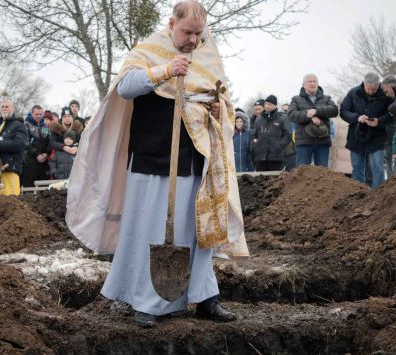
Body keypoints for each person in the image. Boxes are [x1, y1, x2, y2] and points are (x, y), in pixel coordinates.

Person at [66, 0, 248, 328]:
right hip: (153, 155)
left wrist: (218, 110)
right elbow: (125, 88)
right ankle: (146, 301)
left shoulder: (207, 52)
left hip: (196, 156)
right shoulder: (148, 50)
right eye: (187, 32)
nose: (193, 39)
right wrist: (165, 70)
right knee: (150, 228)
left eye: (198, 32)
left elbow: (217, 96)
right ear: (171, 24)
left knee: (199, 228)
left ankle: (205, 296)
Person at [340, 73, 392, 187]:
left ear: (379, 84)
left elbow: (391, 114)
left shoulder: (385, 95)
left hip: (377, 137)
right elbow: (343, 111)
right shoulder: (353, 93)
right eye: (368, 89)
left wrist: (379, 121)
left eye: (374, 89)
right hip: (357, 135)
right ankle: (358, 194)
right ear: (364, 83)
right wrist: (357, 117)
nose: (371, 92)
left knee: (377, 167)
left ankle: (378, 194)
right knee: (357, 167)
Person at [288, 74, 339, 167]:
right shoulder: (296, 99)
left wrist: (317, 111)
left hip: (322, 141)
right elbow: (291, 115)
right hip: (304, 142)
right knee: (301, 173)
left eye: (314, 81)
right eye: (309, 81)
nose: (312, 83)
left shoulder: (327, 98)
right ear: (303, 85)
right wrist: (307, 115)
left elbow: (334, 110)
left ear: (318, 83)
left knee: (322, 174)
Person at [250, 95, 290, 171]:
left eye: (270, 104)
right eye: (266, 104)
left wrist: (279, 146)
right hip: (260, 157)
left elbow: (288, 135)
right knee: (261, 181)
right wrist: (254, 146)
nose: (267, 106)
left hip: (276, 157)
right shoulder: (259, 119)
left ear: (275, 105)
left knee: (275, 181)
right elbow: (253, 135)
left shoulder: (282, 118)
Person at [22, 105, 52, 187]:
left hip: (43, 162)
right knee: (29, 188)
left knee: (43, 189)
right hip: (30, 161)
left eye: (40, 114)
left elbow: (49, 141)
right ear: (32, 113)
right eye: (36, 114)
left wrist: (46, 153)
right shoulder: (26, 125)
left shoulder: (44, 126)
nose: (38, 116)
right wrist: (36, 155)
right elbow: (25, 142)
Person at [329, 99, 352, 177]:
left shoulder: (350, 118)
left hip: (347, 152)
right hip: (333, 151)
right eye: (338, 103)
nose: (339, 105)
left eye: (342, 104)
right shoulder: (331, 118)